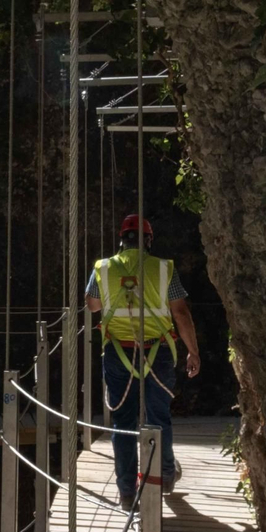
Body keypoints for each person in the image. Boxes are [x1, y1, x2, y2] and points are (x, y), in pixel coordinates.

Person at [85, 214, 201, 510]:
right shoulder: (164, 269)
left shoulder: (103, 267)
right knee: (158, 416)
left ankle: (127, 492)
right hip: (157, 350)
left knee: (123, 421)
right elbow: (181, 313)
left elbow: (93, 305)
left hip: (118, 351)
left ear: (122, 240)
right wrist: (193, 351)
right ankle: (163, 475)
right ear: (149, 240)